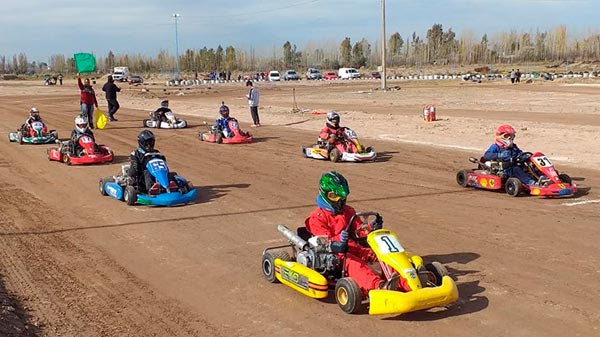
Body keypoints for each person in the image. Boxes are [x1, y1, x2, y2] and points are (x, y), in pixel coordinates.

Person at [304, 171, 408, 298]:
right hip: (336, 256)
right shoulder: (316, 218)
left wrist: (371, 228)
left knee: (382, 255)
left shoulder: (348, 211)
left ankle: (407, 283)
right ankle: (380, 287)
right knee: (355, 264)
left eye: (342, 197)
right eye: (334, 196)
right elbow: (323, 243)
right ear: (325, 194)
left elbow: (360, 231)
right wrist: (338, 241)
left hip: (355, 248)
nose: (339, 201)